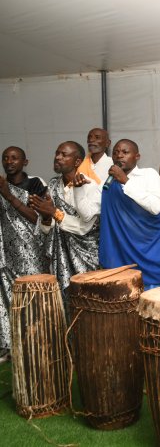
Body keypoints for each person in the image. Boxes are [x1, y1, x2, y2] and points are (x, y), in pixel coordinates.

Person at [29, 142, 101, 299]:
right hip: (60, 255)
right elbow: (47, 228)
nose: (58, 157)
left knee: (88, 299)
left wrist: (54, 212)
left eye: (64, 155)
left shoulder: (90, 186)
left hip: (86, 255)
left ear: (77, 161)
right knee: (64, 299)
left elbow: (85, 226)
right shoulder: (53, 185)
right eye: (57, 153)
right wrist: (46, 217)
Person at [99, 139, 160, 289]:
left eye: (125, 152)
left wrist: (126, 181)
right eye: (116, 152)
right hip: (121, 254)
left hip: (151, 252)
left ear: (137, 156)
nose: (119, 155)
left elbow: (156, 207)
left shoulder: (149, 175)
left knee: (155, 300)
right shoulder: (109, 182)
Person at [0, 147, 49, 357]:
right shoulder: (1, 183)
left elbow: (38, 218)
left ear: (25, 162)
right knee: (10, 299)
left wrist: (9, 195)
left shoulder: (35, 183)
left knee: (34, 295)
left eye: (14, 158)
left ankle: (39, 342)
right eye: (5, 158)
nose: (9, 161)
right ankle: (13, 344)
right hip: (7, 252)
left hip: (33, 249)